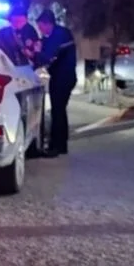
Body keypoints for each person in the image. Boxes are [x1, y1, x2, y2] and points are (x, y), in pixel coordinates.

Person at [33, 10, 77, 157]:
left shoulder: (60, 35)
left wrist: (37, 51)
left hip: (63, 78)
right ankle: (60, 145)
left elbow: (48, 57)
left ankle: (56, 146)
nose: (40, 30)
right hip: (60, 77)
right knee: (59, 111)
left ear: (48, 24)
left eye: (41, 27)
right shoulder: (58, 34)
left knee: (58, 111)